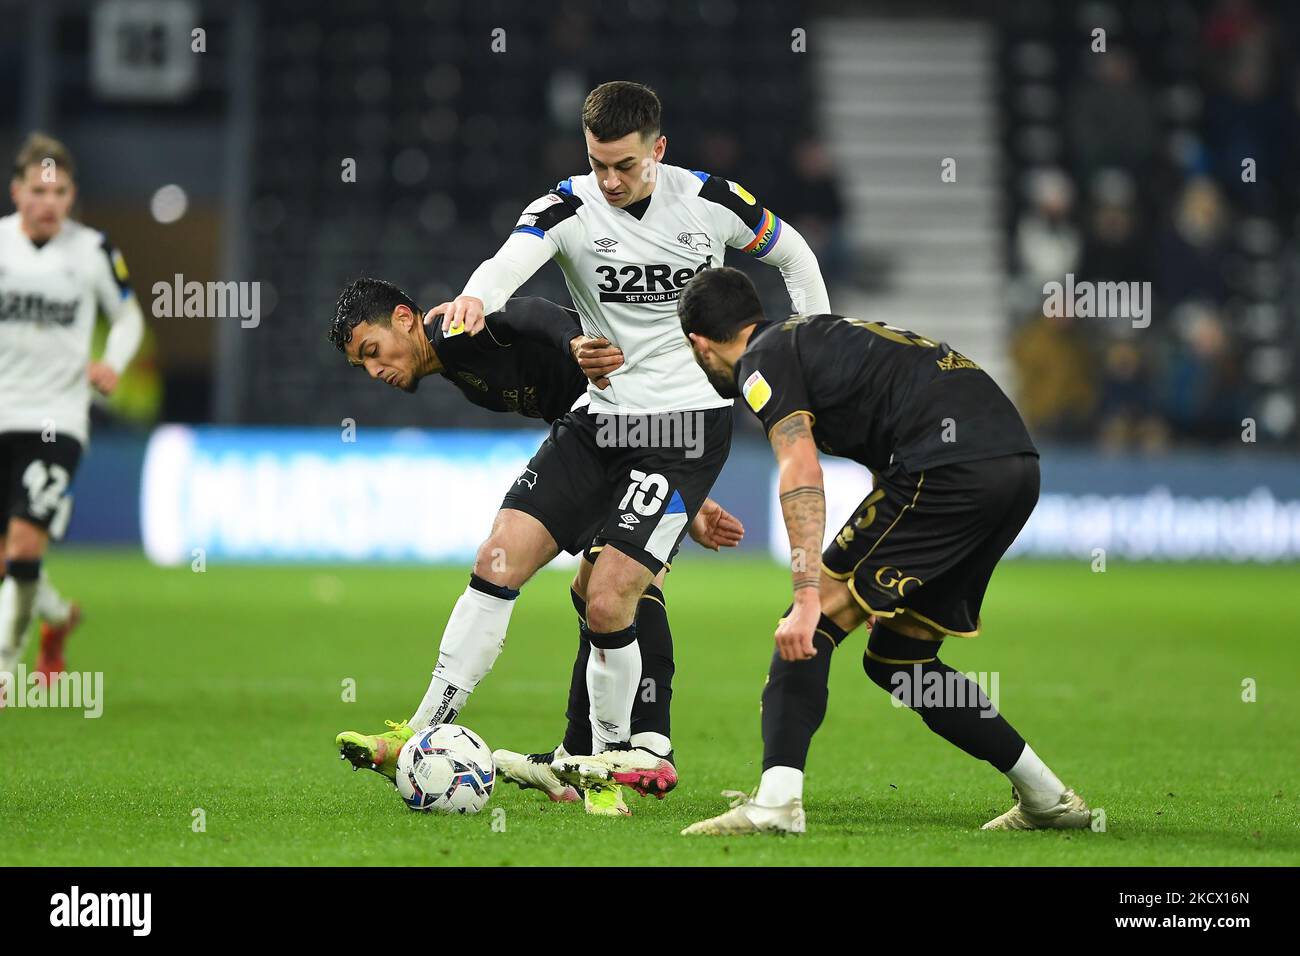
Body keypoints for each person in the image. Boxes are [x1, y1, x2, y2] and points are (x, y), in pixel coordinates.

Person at [347, 79, 829, 808]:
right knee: (497, 558)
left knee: (608, 599)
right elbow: (512, 258)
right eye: (598, 163)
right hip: (599, 421)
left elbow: (795, 256)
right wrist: (478, 295)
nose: (610, 180)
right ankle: (419, 734)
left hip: (684, 431)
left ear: (658, 151)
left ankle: (606, 763)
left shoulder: (712, 202)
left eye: (625, 166)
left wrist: (806, 356)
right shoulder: (569, 205)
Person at [677, 267, 1090, 835]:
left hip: (949, 469)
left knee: (810, 626)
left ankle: (775, 804)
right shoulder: (819, 338)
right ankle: (1049, 800)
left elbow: (800, 469)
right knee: (901, 659)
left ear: (700, 342)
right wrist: (886, 575)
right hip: (1013, 467)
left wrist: (805, 595)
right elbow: (890, 434)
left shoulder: (761, 362)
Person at [327, 278, 743, 816]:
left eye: (372, 351)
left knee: (618, 590)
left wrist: (574, 340)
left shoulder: (453, 328)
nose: (374, 371)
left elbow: (526, 310)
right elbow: (566, 397)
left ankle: (639, 748)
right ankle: (559, 752)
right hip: (600, 438)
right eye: (361, 364)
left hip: (660, 426)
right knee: (517, 566)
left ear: (405, 320)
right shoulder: (452, 366)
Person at [0, 132, 143, 700]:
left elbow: (129, 317)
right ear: (17, 192)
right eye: (37, 189)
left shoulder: (93, 251)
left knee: (26, 543)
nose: (47, 202)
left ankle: (5, 666)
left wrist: (112, 362)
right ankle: (57, 616)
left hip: (58, 417)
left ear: (71, 196)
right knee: (8, 557)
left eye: (57, 192)